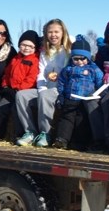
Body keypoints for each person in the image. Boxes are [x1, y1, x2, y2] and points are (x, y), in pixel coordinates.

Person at [15, 18, 72, 147]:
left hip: (62, 89)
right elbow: (41, 72)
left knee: (45, 96)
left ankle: (45, 133)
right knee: (22, 95)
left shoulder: (68, 50)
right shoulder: (44, 52)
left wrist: (59, 76)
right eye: (50, 32)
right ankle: (30, 131)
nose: (53, 35)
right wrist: (41, 88)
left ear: (63, 32)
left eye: (56, 32)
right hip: (46, 88)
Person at [52, 37, 104, 150]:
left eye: (83, 59)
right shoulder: (68, 69)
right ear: (72, 58)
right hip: (70, 98)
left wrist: (101, 93)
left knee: (81, 120)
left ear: (88, 58)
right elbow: (61, 82)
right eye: (76, 59)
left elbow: (100, 81)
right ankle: (62, 139)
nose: (79, 62)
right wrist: (61, 95)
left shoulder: (93, 69)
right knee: (66, 118)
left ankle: (79, 142)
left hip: (84, 99)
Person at [0, 30, 41, 140]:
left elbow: (31, 79)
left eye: (30, 46)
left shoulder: (35, 60)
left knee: (16, 110)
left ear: (35, 48)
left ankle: (20, 134)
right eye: (23, 45)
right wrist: (5, 85)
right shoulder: (15, 58)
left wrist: (18, 89)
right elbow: (7, 73)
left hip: (23, 93)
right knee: (0, 108)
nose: (26, 48)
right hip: (10, 91)